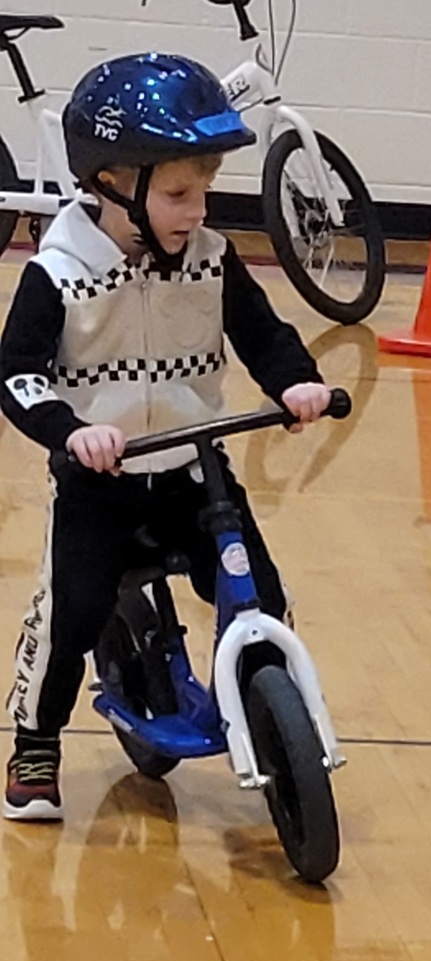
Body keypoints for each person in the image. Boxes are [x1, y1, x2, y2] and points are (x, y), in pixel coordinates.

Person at [0, 53, 332, 820]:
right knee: (74, 608)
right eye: (180, 193)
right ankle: (36, 740)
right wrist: (70, 432)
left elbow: (263, 331)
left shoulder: (212, 261)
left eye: (205, 191)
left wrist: (295, 381)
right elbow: (15, 374)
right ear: (112, 184)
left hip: (193, 470)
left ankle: (263, 705)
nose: (197, 210)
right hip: (102, 479)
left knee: (260, 594)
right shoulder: (59, 271)